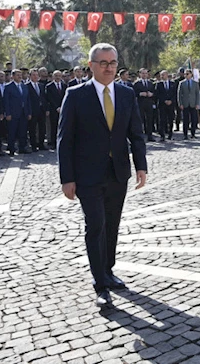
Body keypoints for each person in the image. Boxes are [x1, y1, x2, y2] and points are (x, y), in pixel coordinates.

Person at [57, 43, 147, 307]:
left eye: (113, 63)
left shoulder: (126, 94)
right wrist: (67, 178)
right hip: (87, 174)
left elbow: (136, 134)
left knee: (112, 225)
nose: (109, 68)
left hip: (118, 172)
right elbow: (65, 140)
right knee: (95, 225)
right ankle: (100, 284)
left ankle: (108, 270)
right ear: (91, 66)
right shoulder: (75, 95)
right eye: (103, 63)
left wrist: (141, 166)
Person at [4, 69, 32, 156]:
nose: (20, 76)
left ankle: (22, 148)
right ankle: (11, 149)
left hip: (23, 113)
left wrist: (29, 112)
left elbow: (28, 100)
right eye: (17, 75)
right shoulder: (8, 87)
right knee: (12, 132)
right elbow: (6, 101)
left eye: (21, 75)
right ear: (12, 76)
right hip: (13, 113)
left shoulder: (24, 86)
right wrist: (7, 113)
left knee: (23, 132)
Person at [178, 70, 200, 139]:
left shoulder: (195, 83)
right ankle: (185, 134)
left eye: (187, 74)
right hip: (185, 104)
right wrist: (180, 103)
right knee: (185, 120)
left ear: (191, 74)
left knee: (194, 119)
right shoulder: (181, 83)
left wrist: (197, 103)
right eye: (185, 74)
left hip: (193, 104)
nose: (186, 75)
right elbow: (179, 94)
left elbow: (197, 94)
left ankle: (193, 134)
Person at [155, 70, 177, 141]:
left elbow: (175, 94)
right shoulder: (158, 84)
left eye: (163, 75)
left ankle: (170, 134)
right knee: (162, 120)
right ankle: (162, 135)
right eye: (161, 75)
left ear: (167, 75)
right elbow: (157, 94)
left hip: (171, 105)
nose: (162, 76)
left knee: (171, 119)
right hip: (162, 104)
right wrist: (164, 100)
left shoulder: (172, 83)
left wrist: (171, 101)